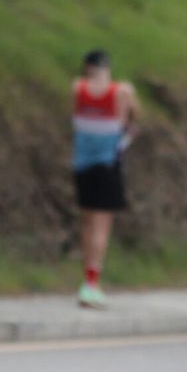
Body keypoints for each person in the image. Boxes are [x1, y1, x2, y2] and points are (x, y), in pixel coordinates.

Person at [70, 49, 140, 309]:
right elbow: (135, 117)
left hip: (81, 165)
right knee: (101, 226)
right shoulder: (121, 92)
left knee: (87, 223)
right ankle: (91, 284)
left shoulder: (78, 89)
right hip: (107, 166)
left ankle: (87, 280)